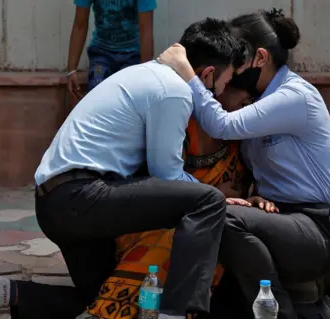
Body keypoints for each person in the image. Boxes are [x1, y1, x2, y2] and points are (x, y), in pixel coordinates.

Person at [0, 18, 247, 319]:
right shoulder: (173, 91)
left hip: (55, 202)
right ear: (207, 74)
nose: (220, 92)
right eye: (223, 83)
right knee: (208, 201)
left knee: (110, 302)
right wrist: (214, 191)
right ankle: (176, 313)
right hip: (82, 196)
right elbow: (166, 174)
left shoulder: (143, 74)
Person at [157, 8, 330, 319]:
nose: (230, 66)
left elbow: (221, 125)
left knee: (221, 215)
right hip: (280, 220)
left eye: (237, 58)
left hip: (320, 229)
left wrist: (187, 73)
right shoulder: (257, 100)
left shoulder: (294, 96)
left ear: (260, 58)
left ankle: (279, 313)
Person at [77, 86, 276, 319]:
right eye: (241, 91)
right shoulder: (182, 124)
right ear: (216, 93)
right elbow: (161, 184)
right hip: (156, 219)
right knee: (178, 238)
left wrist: (251, 200)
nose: (249, 102)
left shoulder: (243, 139)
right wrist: (211, 193)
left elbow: (240, 190)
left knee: (215, 230)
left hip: (208, 221)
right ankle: (109, 312)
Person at [66, 0, 157, 101]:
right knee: (96, 91)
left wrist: (144, 71)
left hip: (132, 54)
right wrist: (71, 70)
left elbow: (146, 30)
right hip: (101, 53)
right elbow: (80, 25)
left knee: (129, 96)